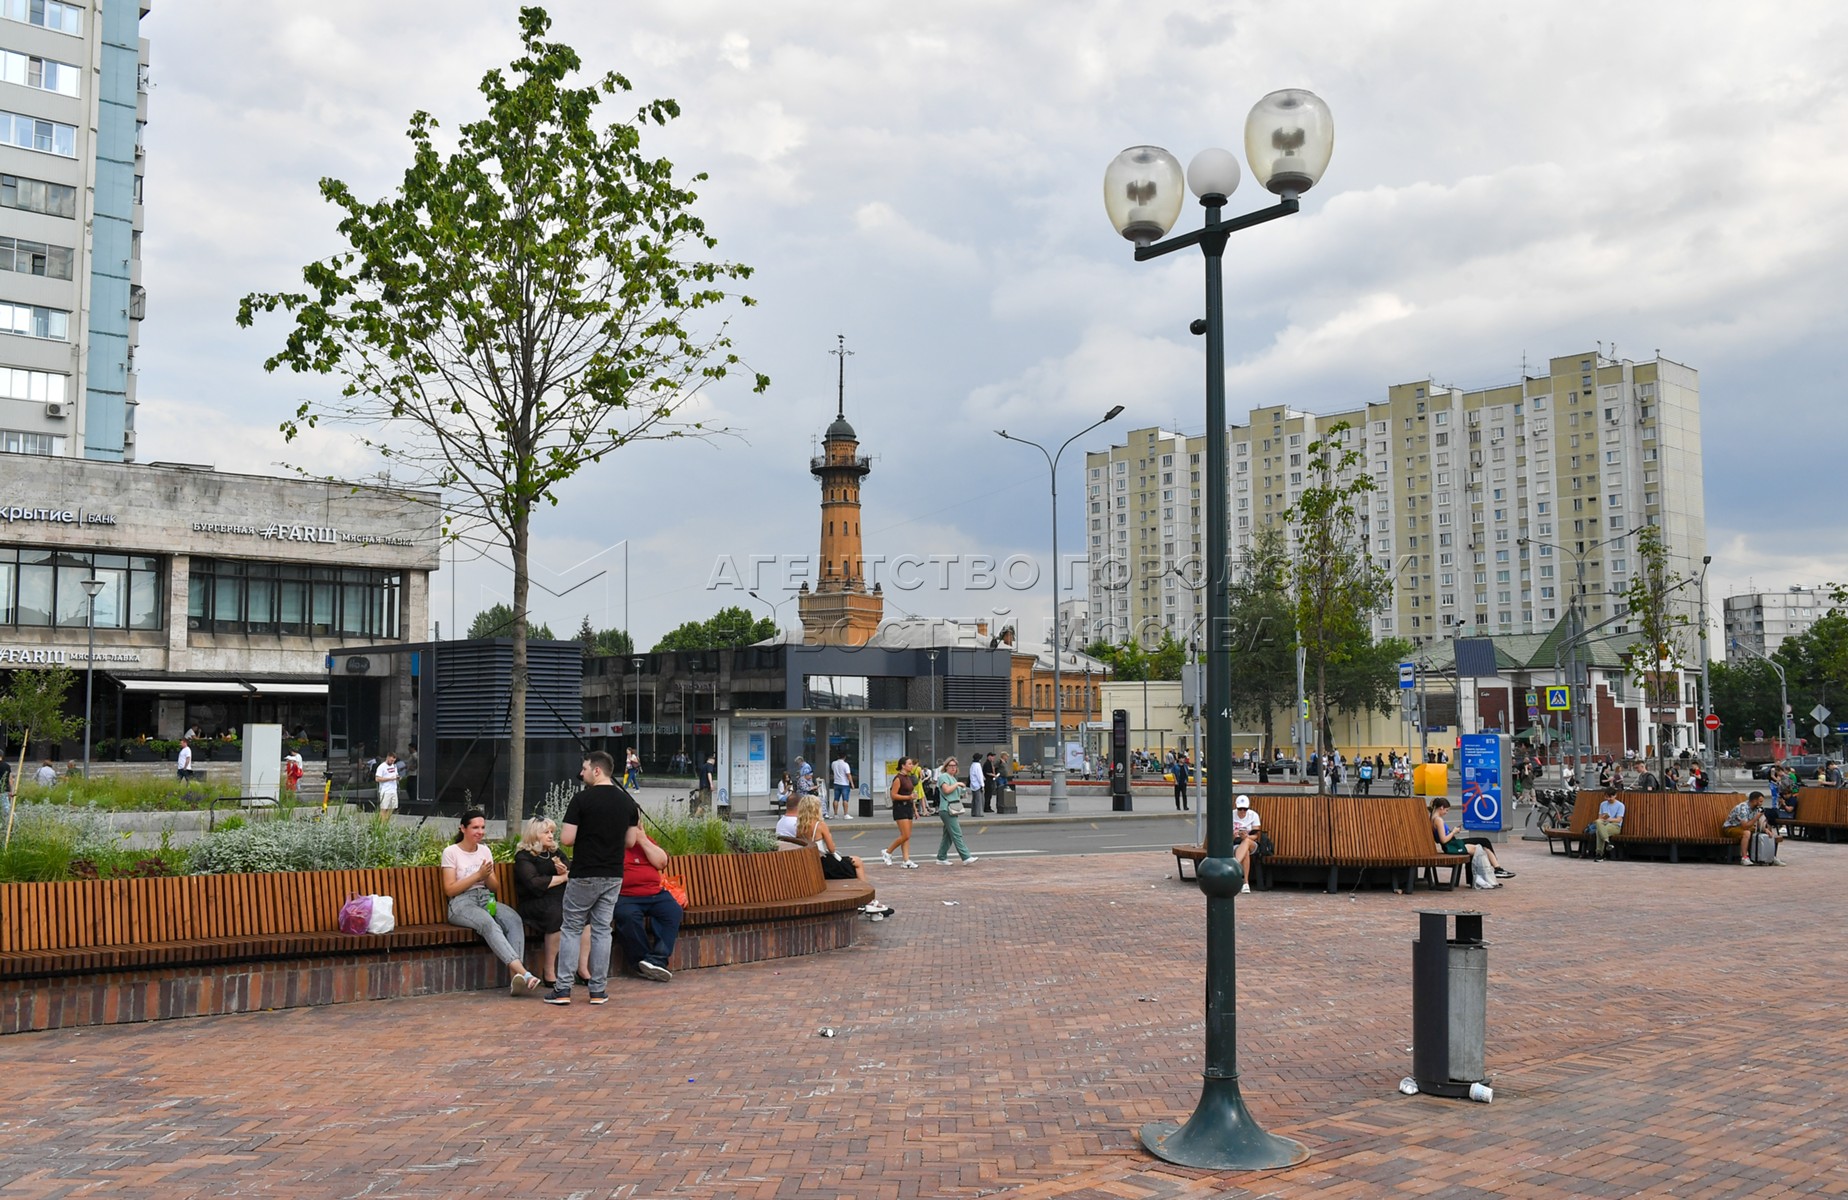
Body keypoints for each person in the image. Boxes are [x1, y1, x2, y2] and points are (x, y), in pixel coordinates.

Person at [546, 750, 643, 1006]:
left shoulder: (581, 800)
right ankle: (598, 990)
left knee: (571, 928)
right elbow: (631, 841)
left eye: (585, 768)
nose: (582, 773)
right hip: (613, 874)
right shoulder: (627, 803)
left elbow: (566, 839)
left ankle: (563, 988)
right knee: (602, 931)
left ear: (596, 770)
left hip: (585, 873)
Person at [441, 809, 543, 996]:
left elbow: (495, 887)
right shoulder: (451, 852)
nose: (480, 832)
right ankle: (524, 973)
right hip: (461, 903)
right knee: (489, 924)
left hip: (486, 898)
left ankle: (517, 978)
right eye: (475, 827)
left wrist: (486, 876)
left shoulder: (485, 850)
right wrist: (477, 876)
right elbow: (450, 890)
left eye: (482, 827)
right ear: (463, 828)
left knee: (514, 920)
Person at [614, 827, 680, 982]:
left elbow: (662, 863)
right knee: (628, 916)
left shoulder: (646, 841)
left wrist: (643, 840)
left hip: (655, 894)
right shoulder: (613, 842)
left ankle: (657, 959)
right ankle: (641, 962)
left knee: (673, 910)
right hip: (626, 895)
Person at [513, 816, 570, 988]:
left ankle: (582, 969)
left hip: (557, 899)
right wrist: (561, 878)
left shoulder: (555, 853)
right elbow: (534, 883)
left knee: (584, 913)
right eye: (546, 832)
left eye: (552, 832)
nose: (551, 836)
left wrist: (565, 870)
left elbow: (571, 872)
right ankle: (549, 970)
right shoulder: (524, 857)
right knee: (557, 914)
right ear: (534, 834)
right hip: (534, 902)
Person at [1430, 798, 1514, 882]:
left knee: (1484, 844)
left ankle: (1496, 869)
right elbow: (1443, 840)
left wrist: (1452, 832)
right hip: (1451, 846)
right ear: (1441, 807)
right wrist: (1454, 832)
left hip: (1452, 844)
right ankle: (1496, 869)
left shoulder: (1433, 818)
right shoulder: (1438, 820)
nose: (1446, 813)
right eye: (1446, 810)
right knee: (1484, 842)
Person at [795, 795, 867, 881]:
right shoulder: (820, 825)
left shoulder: (799, 828)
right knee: (858, 861)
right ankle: (865, 887)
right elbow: (832, 849)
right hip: (823, 864)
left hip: (810, 862)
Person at [933, 756, 977, 864]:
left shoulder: (953, 778)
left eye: (955, 766)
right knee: (957, 833)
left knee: (948, 835)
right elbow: (946, 790)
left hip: (953, 808)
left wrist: (962, 790)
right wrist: (957, 784)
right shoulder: (944, 777)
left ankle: (941, 857)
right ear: (946, 767)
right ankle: (966, 856)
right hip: (946, 809)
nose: (953, 768)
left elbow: (957, 793)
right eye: (951, 766)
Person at [883, 755, 921, 868]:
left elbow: (911, 794)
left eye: (911, 764)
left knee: (907, 836)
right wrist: (908, 797)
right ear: (903, 766)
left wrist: (915, 809)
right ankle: (888, 852)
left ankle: (906, 860)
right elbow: (893, 795)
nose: (911, 766)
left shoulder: (908, 778)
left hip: (908, 807)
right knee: (905, 835)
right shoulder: (898, 778)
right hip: (900, 808)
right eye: (909, 764)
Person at [1723, 792, 1781, 865]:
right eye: (1760, 801)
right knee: (1746, 833)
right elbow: (1745, 826)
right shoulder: (1743, 808)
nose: (1761, 803)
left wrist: (1765, 830)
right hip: (1731, 828)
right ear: (1754, 801)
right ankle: (1744, 858)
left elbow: (1758, 824)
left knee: (1766, 832)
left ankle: (1770, 857)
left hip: (1743, 828)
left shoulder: (1756, 808)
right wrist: (1756, 817)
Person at [1232, 795, 1261, 895]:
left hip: (1251, 842)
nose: (1243, 811)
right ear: (1237, 807)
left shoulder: (1253, 815)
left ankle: (1235, 864)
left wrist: (1246, 837)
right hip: (1236, 844)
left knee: (1247, 842)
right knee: (1246, 853)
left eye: (1245, 809)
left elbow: (1256, 835)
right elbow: (1226, 836)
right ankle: (1246, 883)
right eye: (1240, 809)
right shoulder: (1231, 815)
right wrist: (1234, 836)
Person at [1591, 793, 1625, 861]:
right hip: (1604, 824)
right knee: (1598, 822)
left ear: (1615, 795)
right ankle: (1607, 841)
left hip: (1615, 826)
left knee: (1599, 831)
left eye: (1610, 797)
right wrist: (1603, 818)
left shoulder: (1620, 805)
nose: (1608, 799)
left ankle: (1600, 854)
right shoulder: (1603, 804)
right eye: (1606, 797)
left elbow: (1618, 820)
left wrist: (1608, 819)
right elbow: (1600, 818)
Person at [374, 752, 401, 823]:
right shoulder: (382, 767)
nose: (392, 762)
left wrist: (397, 778)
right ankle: (382, 823)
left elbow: (395, 775)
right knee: (384, 808)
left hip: (393, 790)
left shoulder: (394, 766)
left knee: (392, 807)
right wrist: (390, 779)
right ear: (388, 757)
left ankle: (386, 821)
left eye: (394, 761)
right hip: (385, 790)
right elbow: (377, 779)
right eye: (391, 760)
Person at [829, 750, 855, 820]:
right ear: (845, 757)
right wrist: (852, 783)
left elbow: (833, 770)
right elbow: (848, 775)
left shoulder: (833, 763)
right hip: (844, 784)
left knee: (836, 799)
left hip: (836, 783)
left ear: (838, 756)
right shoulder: (845, 765)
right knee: (845, 799)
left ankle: (835, 814)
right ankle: (845, 814)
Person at [696, 751, 716, 817]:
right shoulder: (710, 765)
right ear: (712, 760)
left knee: (703, 802)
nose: (714, 763)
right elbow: (709, 774)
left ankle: (701, 817)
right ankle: (695, 816)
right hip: (706, 787)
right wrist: (711, 784)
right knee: (705, 803)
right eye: (714, 761)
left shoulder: (703, 766)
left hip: (701, 786)